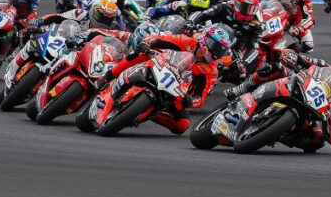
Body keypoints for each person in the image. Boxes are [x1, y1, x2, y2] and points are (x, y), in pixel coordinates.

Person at [99, 25, 233, 134]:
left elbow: (201, 96)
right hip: (160, 65)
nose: (216, 52)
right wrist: (147, 43)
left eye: (221, 50)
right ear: (205, 39)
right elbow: (159, 39)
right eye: (215, 46)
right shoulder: (186, 41)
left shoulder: (211, 70)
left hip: (176, 91)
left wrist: (191, 101)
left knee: (182, 126)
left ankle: (149, 113)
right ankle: (108, 76)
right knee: (140, 53)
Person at [229, 54, 331, 147]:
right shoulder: (325, 66)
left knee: (318, 139)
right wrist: (292, 56)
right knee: (274, 68)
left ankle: (281, 134)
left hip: (313, 113)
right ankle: (243, 87)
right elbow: (302, 59)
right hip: (299, 85)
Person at [189, 0, 263, 77]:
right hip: (211, 36)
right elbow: (203, 14)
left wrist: (244, 62)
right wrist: (190, 22)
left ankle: (208, 80)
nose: (247, 12)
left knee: (239, 73)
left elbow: (255, 48)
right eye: (244, 7)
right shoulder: (225, 7)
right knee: (192, 38)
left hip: (232, 50)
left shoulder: (256, 25)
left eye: (251, 9)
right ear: (235, 4)